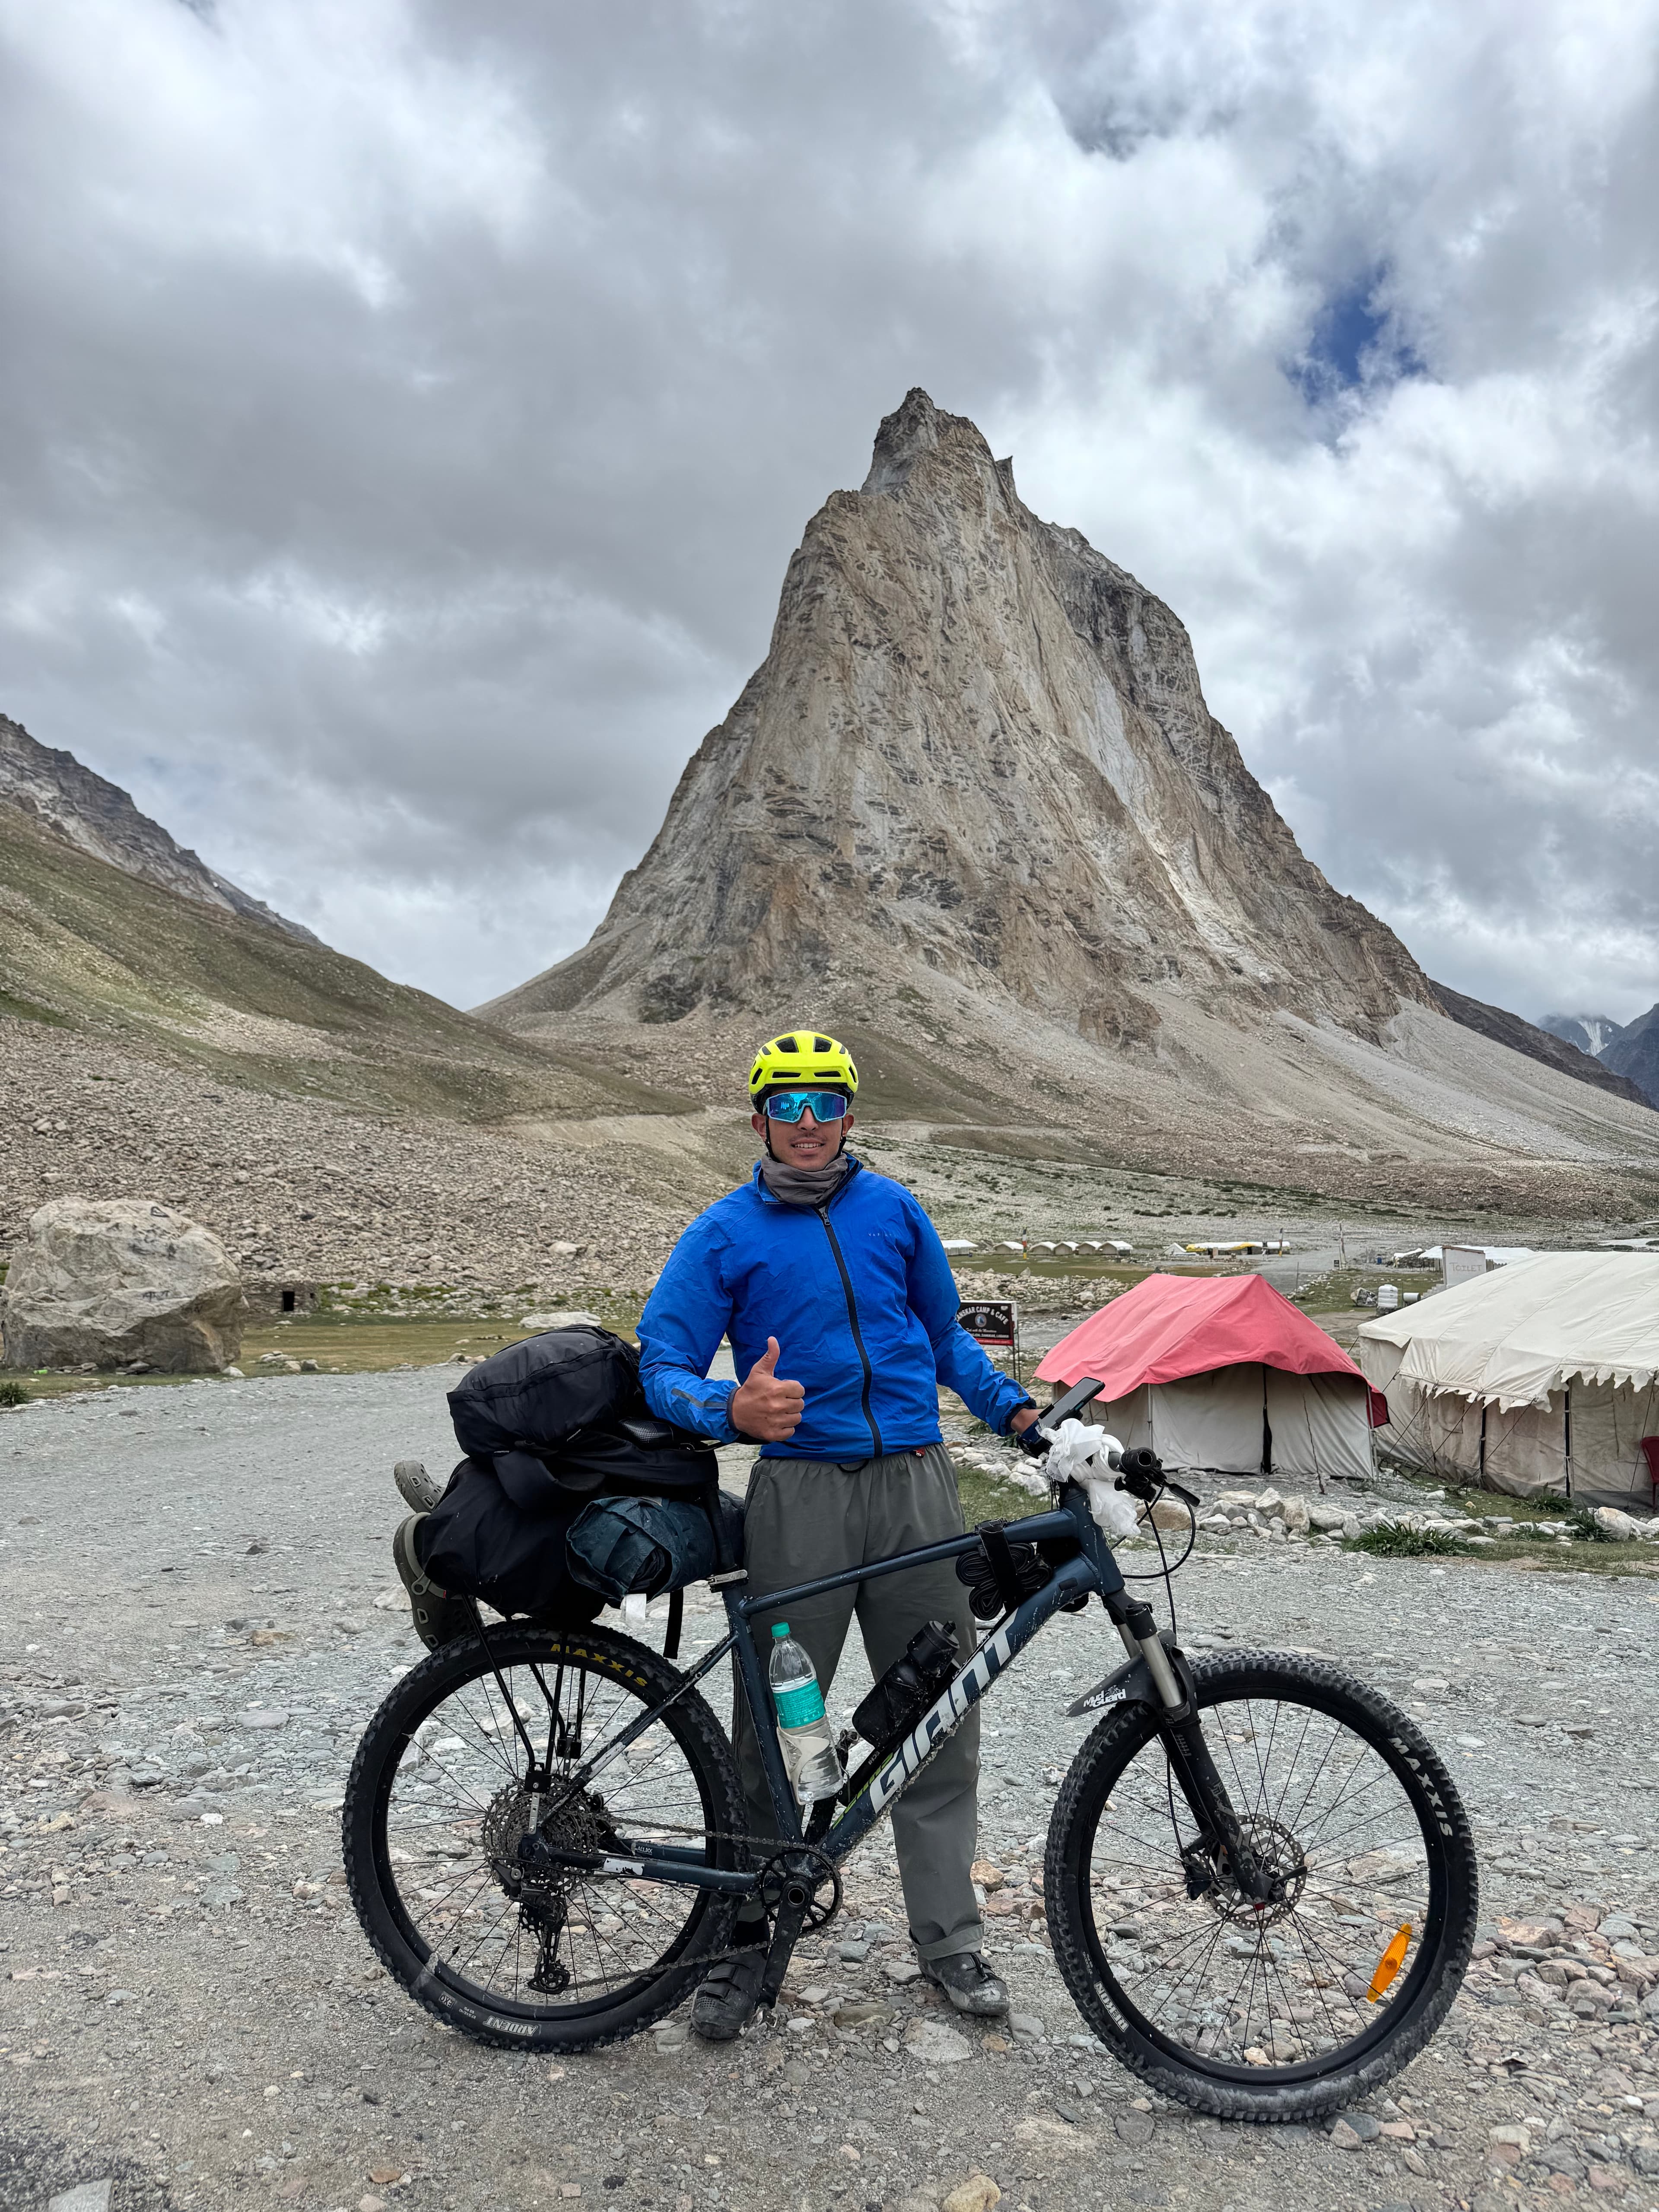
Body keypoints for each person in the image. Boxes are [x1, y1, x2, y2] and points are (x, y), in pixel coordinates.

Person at [636, 1027, 1041, 2041]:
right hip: (801, 1497)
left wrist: (1019, 1417)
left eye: (827, 1103)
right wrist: (730, 1410)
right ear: (760, 1115)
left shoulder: (896, 1211)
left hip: (916, 1485)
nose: (808, 1124)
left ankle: (949, 1940)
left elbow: (948, 1337)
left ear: (852, 1115)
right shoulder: (722, 1233)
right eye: (789, 1103)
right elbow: (663, 1363)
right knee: (779, 1729)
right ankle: (742, 1943)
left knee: (942, 1718)